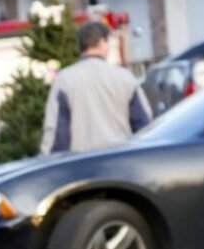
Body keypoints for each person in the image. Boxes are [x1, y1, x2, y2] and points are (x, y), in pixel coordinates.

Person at [39, 20, 152, 155]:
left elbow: (57, 135)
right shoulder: (125, 78)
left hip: (83, 166)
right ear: (102, 43)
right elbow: (144, 126)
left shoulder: (65, 80)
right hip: (122, 163)